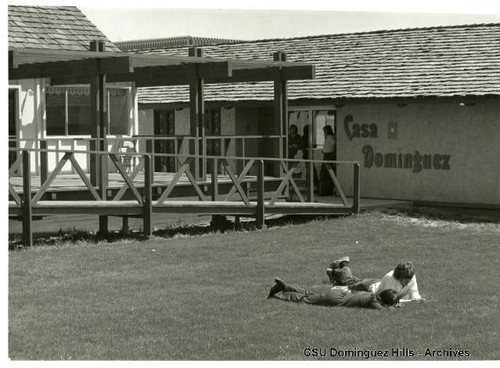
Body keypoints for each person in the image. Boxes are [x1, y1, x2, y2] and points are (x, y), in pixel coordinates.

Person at [267, 278, 399, 310]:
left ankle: (285, 286)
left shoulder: (372, 295)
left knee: (310, 294)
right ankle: (279, 296)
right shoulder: (373, 302)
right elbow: (384, 311)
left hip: (338, 294)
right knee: (305, 299)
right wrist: (393, 308)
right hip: (336, 300)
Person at [349, 261, 424, 302]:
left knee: (354, 280)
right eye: (405, 279)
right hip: (369, 286)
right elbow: (391, 300)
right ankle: (343, 266)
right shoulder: (390, 278)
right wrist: (410, 301)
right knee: (349, 283)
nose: (408, 281)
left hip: (379, 282)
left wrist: (418, 300)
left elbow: (415, 295)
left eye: (409, 279)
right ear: (400, 276)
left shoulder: (411, 277)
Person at [318, 125, 336, 195]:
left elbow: (334, 144)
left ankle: (326, 189)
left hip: (329, 155)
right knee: (325, 172)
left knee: (326, 172)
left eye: (325, 131)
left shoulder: (329, 137)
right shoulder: (328, 137)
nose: (324, 132)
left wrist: (333, 152)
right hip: (326, 154)